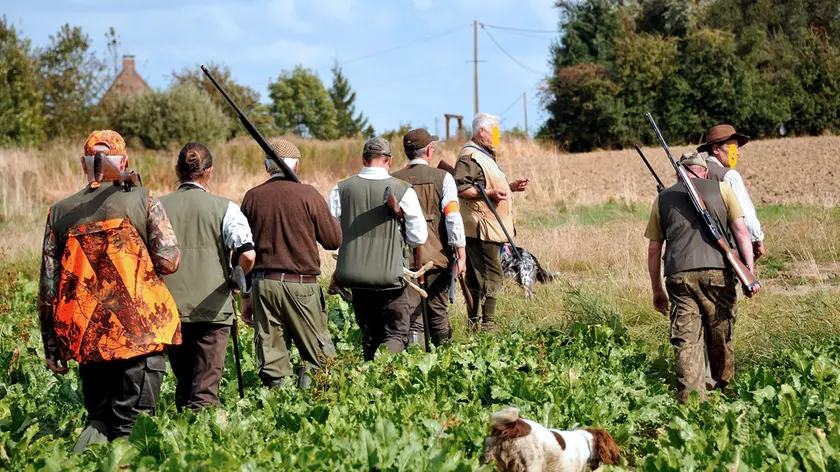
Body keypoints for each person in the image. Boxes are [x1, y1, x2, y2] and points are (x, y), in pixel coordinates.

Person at [37, 130, 181, 452]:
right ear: (124, 161)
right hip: (139, 335)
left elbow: (49, 286)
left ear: (82, 164)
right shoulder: (143, 198)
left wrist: (51, 343)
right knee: (135, 427)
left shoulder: (59, 213)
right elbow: (170, 261)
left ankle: (77, 462)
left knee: (98, 419)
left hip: (88, 337)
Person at [645, 151, 759, 403]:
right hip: (718, 272)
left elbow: (654, 250)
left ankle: (691, 400)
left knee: (686, 339)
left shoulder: (663, 199)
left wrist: (656, 290)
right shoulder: (723, 190)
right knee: (721, 331)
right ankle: (721, 388)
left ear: (678, 174)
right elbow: (741, 232)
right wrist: (748, 271)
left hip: (679, 276)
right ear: (704, 172)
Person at [160, 142, 256, 411]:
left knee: (184, 383)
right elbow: (248, 255)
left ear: (177, 169)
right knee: (205, 390)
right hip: (213, 310)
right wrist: (236, 282)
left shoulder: (156, 207)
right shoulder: (226, 208)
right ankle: (203, 445)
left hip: (171, 309)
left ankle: (181, 441)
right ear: (209, 172)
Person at [240, 139, 342, 388]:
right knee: (319, 358)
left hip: (263, 286)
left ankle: (278, 411)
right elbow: (333, 240)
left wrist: (245, 295)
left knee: (272, 362)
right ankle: (310, 408)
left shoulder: (252, 197)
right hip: (301, 287)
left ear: (267, 166)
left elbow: (241, 249)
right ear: (295, 165)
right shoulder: (308, 194)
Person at [329, 137, 428, 361]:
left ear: (363, 159)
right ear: (389, 161)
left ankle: (369, 381)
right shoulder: (403, 190)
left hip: (355, 279)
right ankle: (388, 380)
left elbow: (330, 234)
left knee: (369, 335)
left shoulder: (340, 189)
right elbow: (418, 237)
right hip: (390, 278)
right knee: (395, 333)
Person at [454, 113, 529, 332]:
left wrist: (510, 187)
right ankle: (487, 326)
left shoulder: (483, 154)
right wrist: (490, 193)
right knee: (490, 274)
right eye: (494, 131)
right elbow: (461, 187)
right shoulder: (470, 155)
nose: (497, 136)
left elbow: (482, 184)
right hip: (480, 226)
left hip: (487, 224)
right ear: (481, 131)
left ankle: (475, 323)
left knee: (478, 275)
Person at [392, 129, 466, 347]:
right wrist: (460, 254)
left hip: (404, 260)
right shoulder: (444, 178)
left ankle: (415, 364)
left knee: (412, 317)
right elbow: (452, 218)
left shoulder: (392, 180)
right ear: (429, 151)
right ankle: (444, 360)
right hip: (438, 257)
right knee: (438, 311)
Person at [698, 124, 766, 261]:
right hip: (728, 248)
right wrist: (757, 238)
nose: (738, 153)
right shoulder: (729, 176)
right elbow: (745, 214)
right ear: (716, 149)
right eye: (733, 148)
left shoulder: (692, 173)